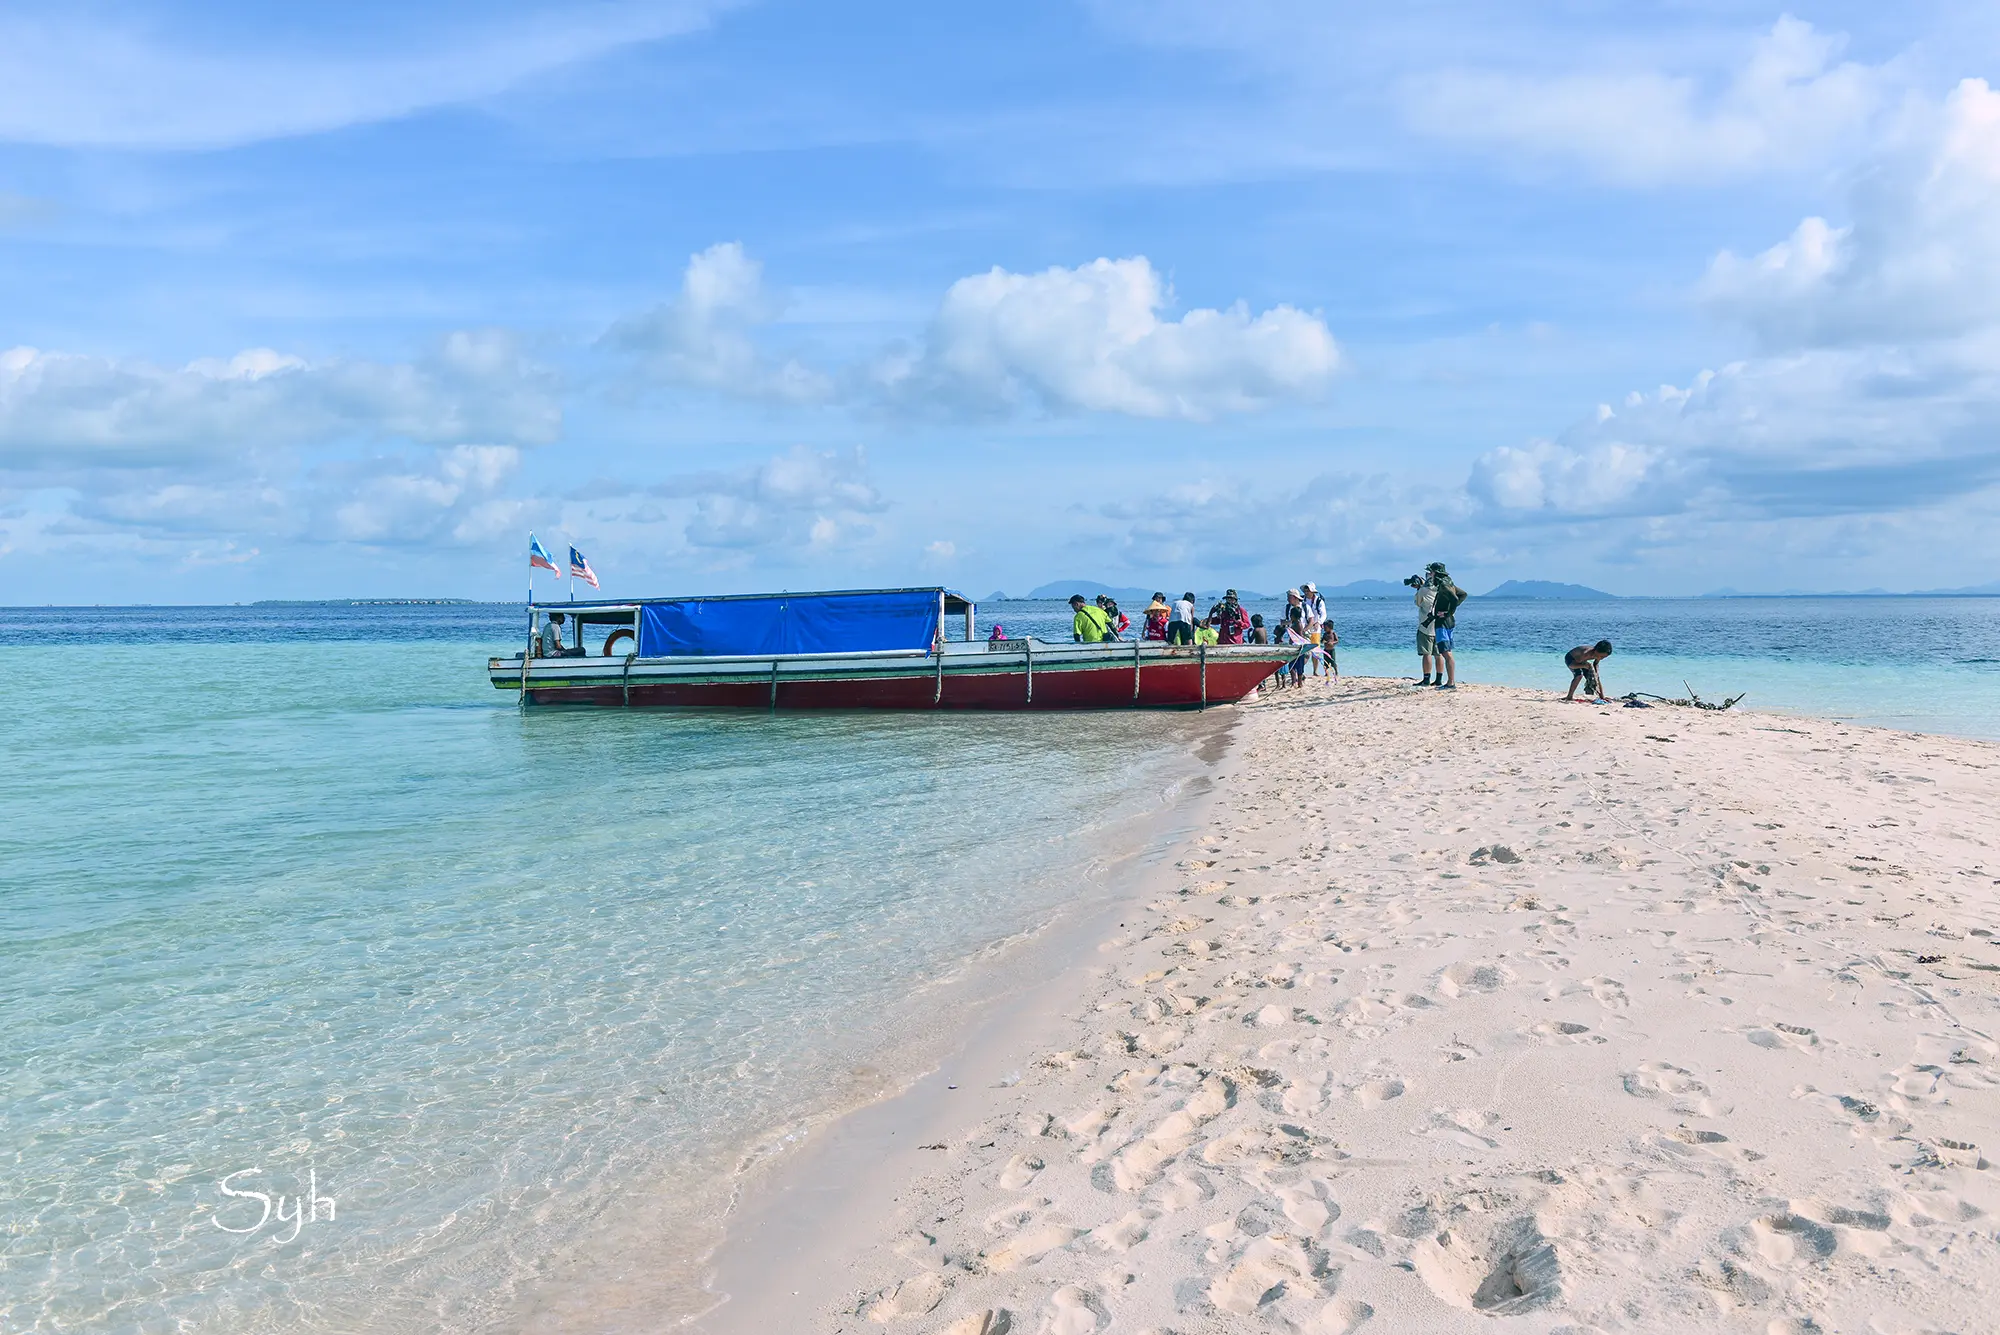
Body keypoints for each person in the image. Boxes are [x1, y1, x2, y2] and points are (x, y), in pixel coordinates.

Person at [1428, 562, 1466, 690]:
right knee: (1447, 652)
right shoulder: (1449, 583)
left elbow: (1455, 598)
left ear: (1436, 573)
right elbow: (1463, 594)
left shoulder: (1444, 585)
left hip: (1443, 622)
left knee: (1446, 652)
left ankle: (1451, 683)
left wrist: (1448, 613)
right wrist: (1449, 612)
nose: (1430, 574)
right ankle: (1450, 681)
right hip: (1449, 621)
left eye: (1431, 572)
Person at [1406, 574, 1438, 684]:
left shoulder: (1423, 590)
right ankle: (1439, 679)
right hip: (1439, 625)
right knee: (1438, 654)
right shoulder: (1440, 588)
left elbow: (1418, 603)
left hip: (1426, 626)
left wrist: (1419, 588)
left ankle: (1426, 679)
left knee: (1426, 653)